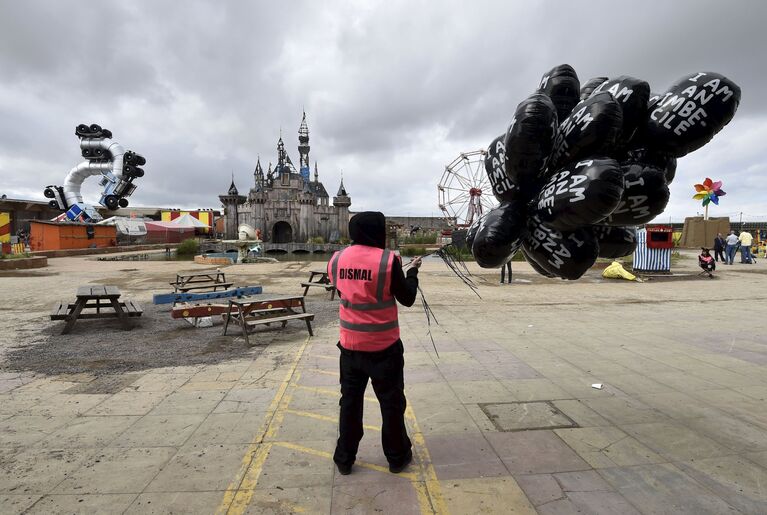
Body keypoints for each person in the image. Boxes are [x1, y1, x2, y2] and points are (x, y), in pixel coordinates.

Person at [327, 211, 419, 476]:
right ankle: (397, 456)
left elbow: (346, 290)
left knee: (350, 403)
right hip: (383, 347)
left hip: (350, 346)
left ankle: (344, 459)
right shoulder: (388, 261)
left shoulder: (336, 260)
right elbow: (407, 298)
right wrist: (412, 272)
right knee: (391, 404)